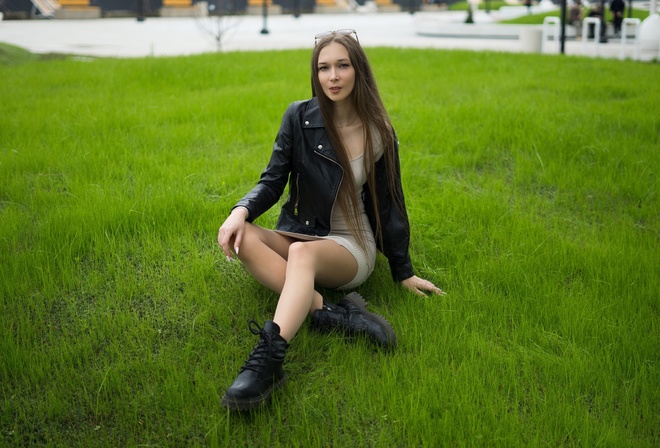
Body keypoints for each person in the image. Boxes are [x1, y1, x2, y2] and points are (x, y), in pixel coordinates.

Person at [217, 29, 445, 412]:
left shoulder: (379, 131)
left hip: (350, 245)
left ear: (358, 71)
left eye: (342, 65)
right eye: (324, 68)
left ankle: (268, 363)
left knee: (302, 258)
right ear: (315, 73)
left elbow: (390, 205)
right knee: (245, 240)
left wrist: (402, 271)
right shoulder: (298, 117)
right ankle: (332, 312)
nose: (333, 76)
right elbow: (272, 181)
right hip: (303, 232)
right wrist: (240, 211)